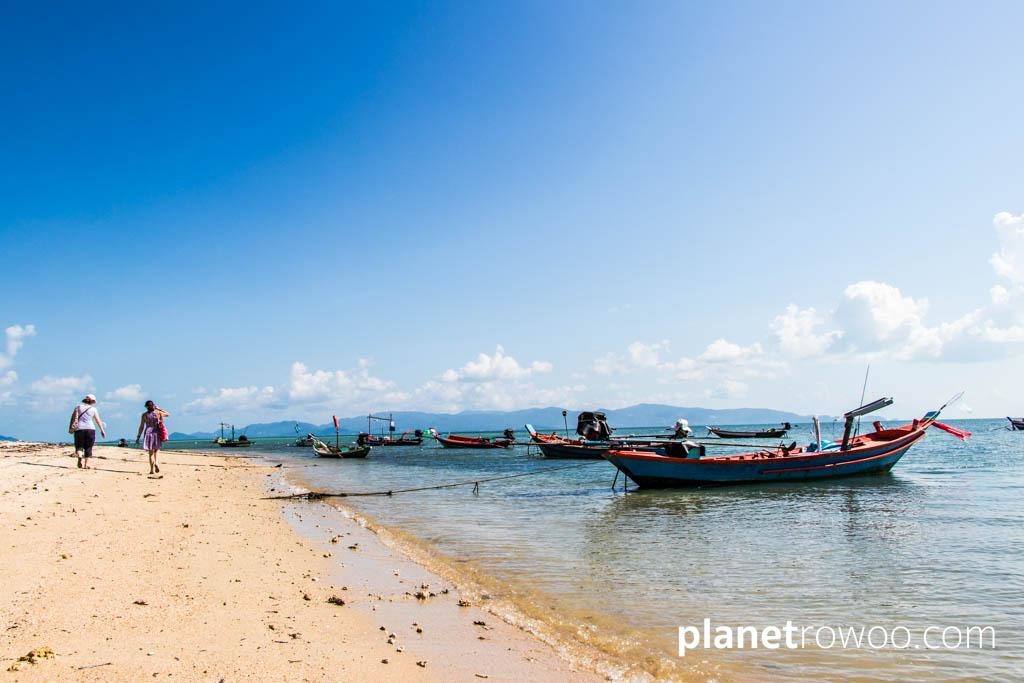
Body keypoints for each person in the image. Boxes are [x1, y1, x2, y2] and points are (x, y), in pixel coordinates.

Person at [70, 394, 106, 469]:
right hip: (90, 429)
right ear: (92, 402)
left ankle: (80, 457)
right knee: (88, 447)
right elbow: (98, 420)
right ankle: (86, 465)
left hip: (79, 429)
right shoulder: (93, 409)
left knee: (79, 446)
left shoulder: (78, 407)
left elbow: (73, 418)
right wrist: (102, 430)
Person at [136, 400, 170, 475]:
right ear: (153, 405)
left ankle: (151, 470)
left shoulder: (144, 415)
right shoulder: (158, 412)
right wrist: (159, 408)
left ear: (146, 407)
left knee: (150, 453)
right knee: (157, 450)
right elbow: (168, 414)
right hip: (156, 432)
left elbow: (141, 427)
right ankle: (157, 463)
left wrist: (138, 437)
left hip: (148, 432)